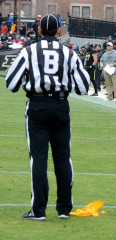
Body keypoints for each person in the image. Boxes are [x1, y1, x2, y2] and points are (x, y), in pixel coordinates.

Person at [5, 14, 90, 221]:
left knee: (38, 159)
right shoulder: (68, 53)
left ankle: (38, 210)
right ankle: (64, 208)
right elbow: (83, 87)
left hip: (37, 105)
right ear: (59, 31)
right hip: (61, 106)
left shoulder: (29, 51)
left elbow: (11, 83)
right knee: (62, 157)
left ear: (40, 30)